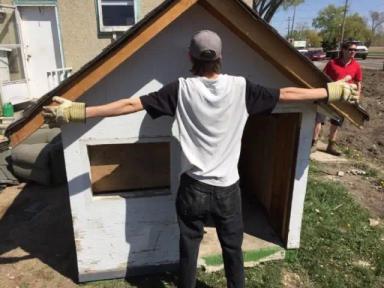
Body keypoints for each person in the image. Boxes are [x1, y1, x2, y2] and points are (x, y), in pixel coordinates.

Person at [43, 30, 358, 288]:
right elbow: (287, 95)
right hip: (228, 191)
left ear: (190, 58)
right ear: (220, 58)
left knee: (189, 249)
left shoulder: (180, 89)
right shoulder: (241, 87)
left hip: (192, 189)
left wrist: (77, 111)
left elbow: (129, 104)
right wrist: (331, 92)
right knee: (232, 249)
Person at [312, 41, 362, 156]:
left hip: (344, 98)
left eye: (355, 50)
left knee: (336, 122)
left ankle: (330, 146)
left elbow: (358, 83)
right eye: (350, 49)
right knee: (319, 119)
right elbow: (323, 77)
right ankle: (314, 143)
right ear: (343, 50)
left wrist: (357, 96)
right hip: (329, 94)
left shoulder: (356, 66)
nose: (353, 52)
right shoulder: (332, 63)